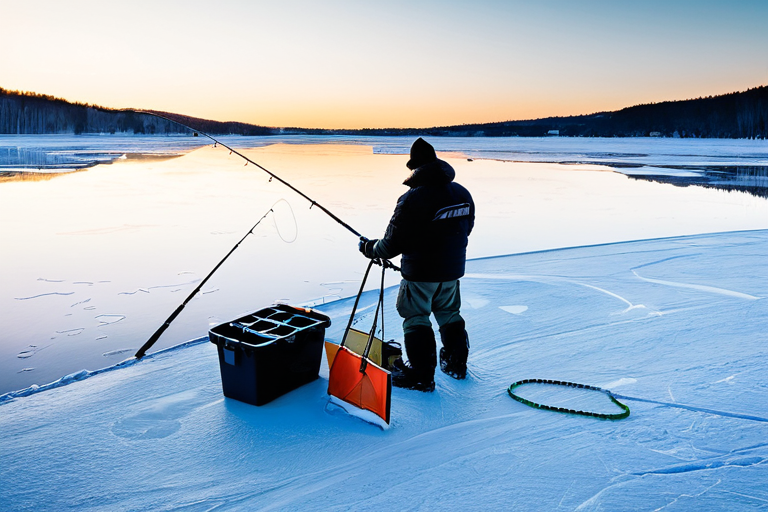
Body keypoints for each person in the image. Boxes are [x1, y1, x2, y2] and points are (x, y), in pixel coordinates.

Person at [359, 138, 474, 392]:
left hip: (421, 273)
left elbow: (391, 244)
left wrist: (369, 248)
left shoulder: (412, 198)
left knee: (416, 316)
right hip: (452, 271)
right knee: (449, 313)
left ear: (416, 168)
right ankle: (456, 364)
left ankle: (421, 376)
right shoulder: (462, 192)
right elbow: (468, 228)